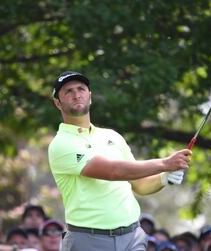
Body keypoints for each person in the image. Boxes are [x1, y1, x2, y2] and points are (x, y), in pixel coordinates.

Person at [48, 71, 192, 250]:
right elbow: (112, 171)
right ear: (57, 103)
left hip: (132, 237)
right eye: (68, 91)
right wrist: (164, 164)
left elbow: (139, 184)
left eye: (81, 89)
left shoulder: (113, 136)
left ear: (90, 97)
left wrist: (163, 178)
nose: (76, 94)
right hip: (88, 240)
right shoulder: (61, 144)